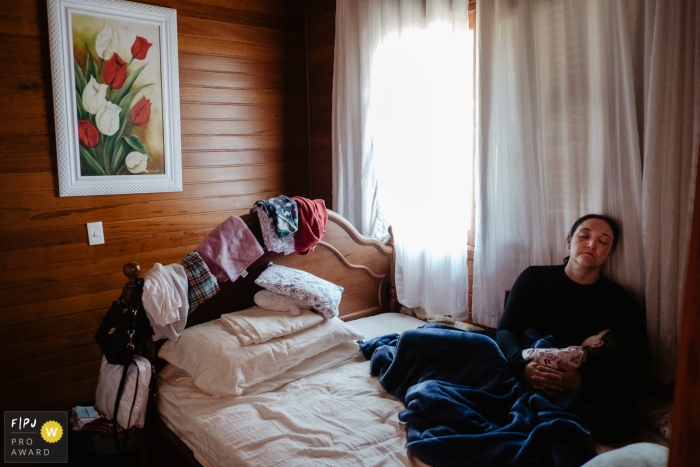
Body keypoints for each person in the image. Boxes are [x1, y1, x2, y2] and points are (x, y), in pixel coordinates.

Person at [495, 214, 649, 443]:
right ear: (569, 240)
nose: (591, 244)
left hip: (579, 386)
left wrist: (581, 383)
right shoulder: (533, 278)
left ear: (611, 252)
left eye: (603, 241)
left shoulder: (620, 301)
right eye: (584, 236)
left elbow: (634, 368)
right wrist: (522, 367)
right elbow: (505, 330)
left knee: (627, 418)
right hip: (523, 365)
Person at [521, 327, 630, 371]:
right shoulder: (598, 371)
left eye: (597, 334)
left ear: (597, 344)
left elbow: (534, 356)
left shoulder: (579, 354)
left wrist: (522, 355)